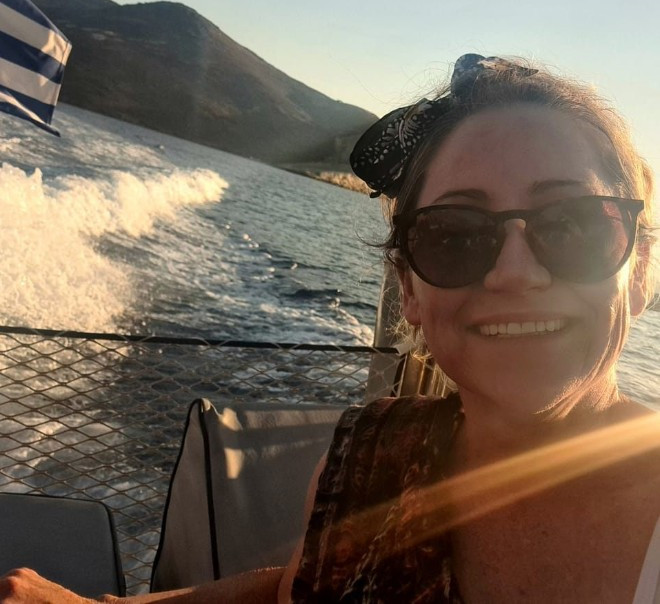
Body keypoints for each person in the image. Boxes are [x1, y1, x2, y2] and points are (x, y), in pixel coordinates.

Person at [1, 54, 658, 603]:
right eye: (455, 236)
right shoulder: (368, 459)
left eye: (572, 226)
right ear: (409, 290)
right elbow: (298, 588)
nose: (515, 272)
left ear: (640, 270)